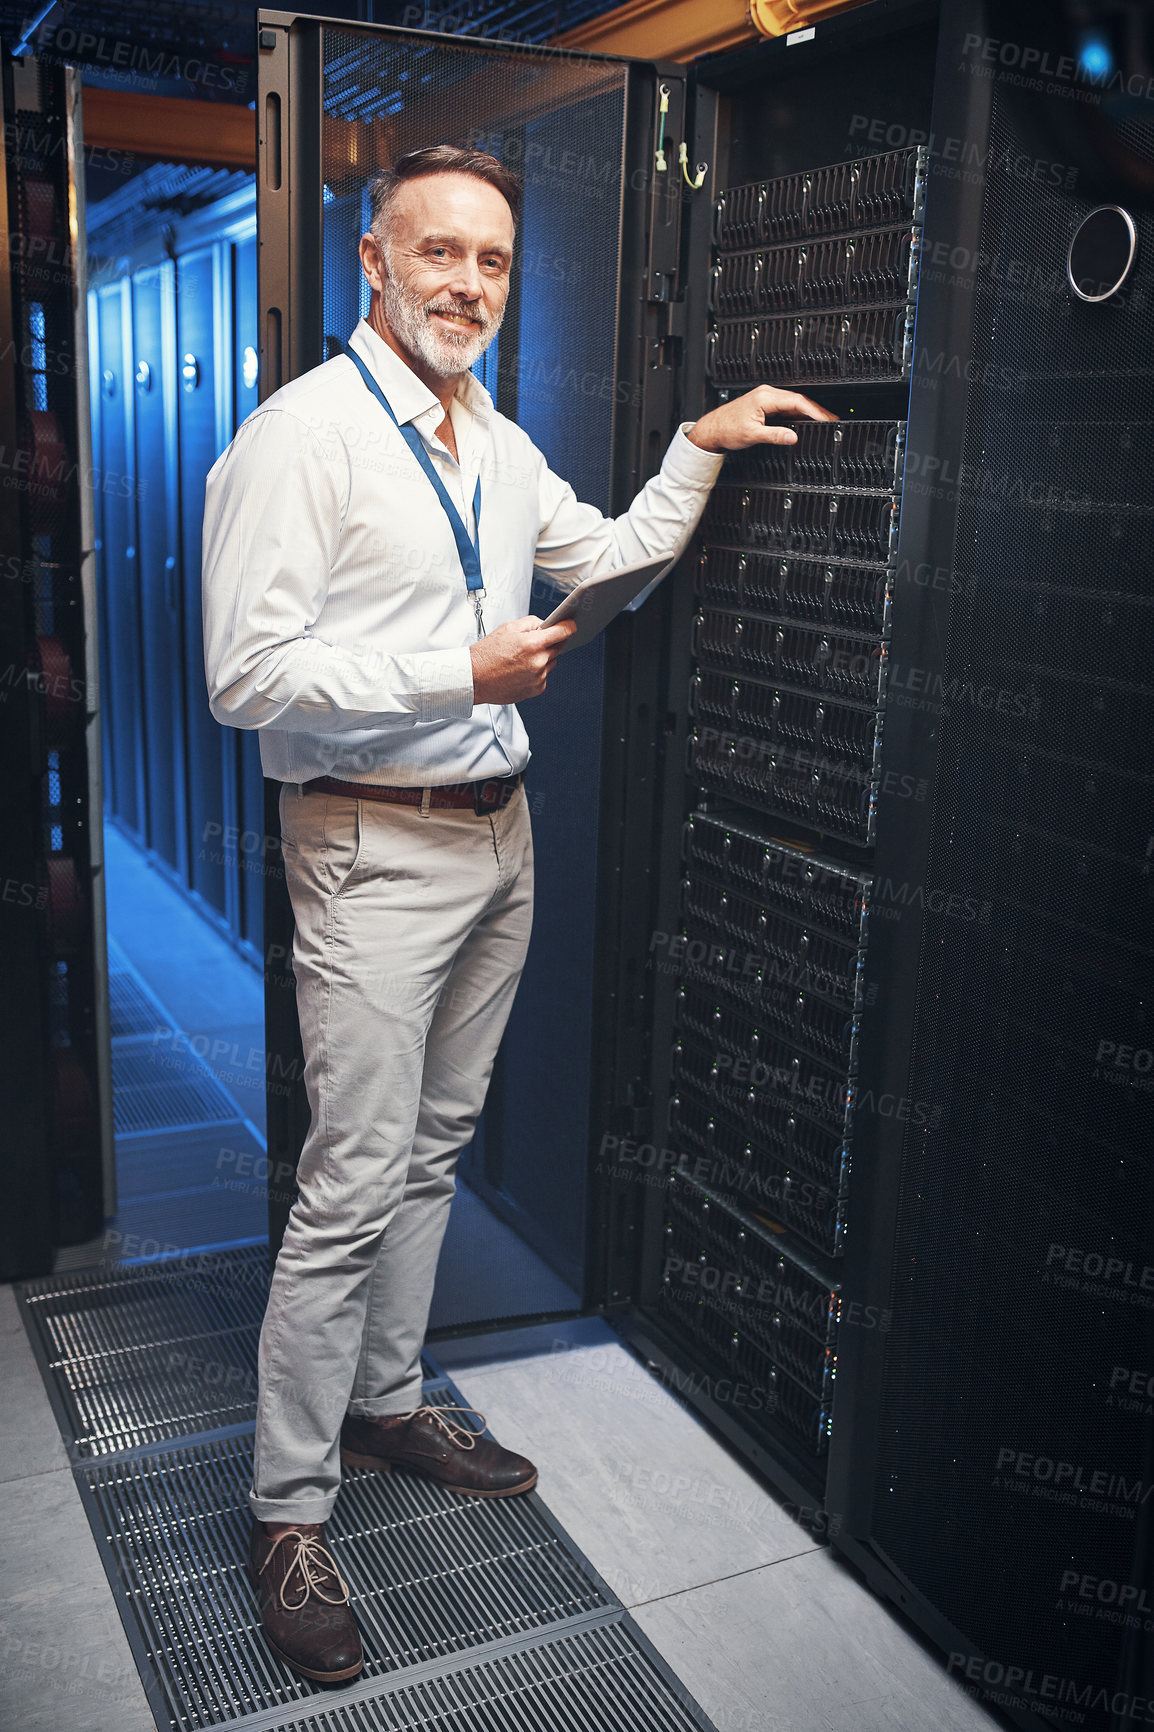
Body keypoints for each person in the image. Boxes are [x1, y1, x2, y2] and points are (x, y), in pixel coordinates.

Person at [201, 142, 835, 1684]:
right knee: (350, 1183)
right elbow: (242, 675)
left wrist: (697, 446)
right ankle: (286, 1510)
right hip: (366, 843)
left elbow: (603, 558)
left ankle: (390, 1399)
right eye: (436, 254)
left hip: (496, 839)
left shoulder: (488, 437)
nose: (466, 284)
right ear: (372, 260)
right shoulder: (301, 440)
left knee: (431, 1149)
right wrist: (453, 671)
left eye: (489, 260)